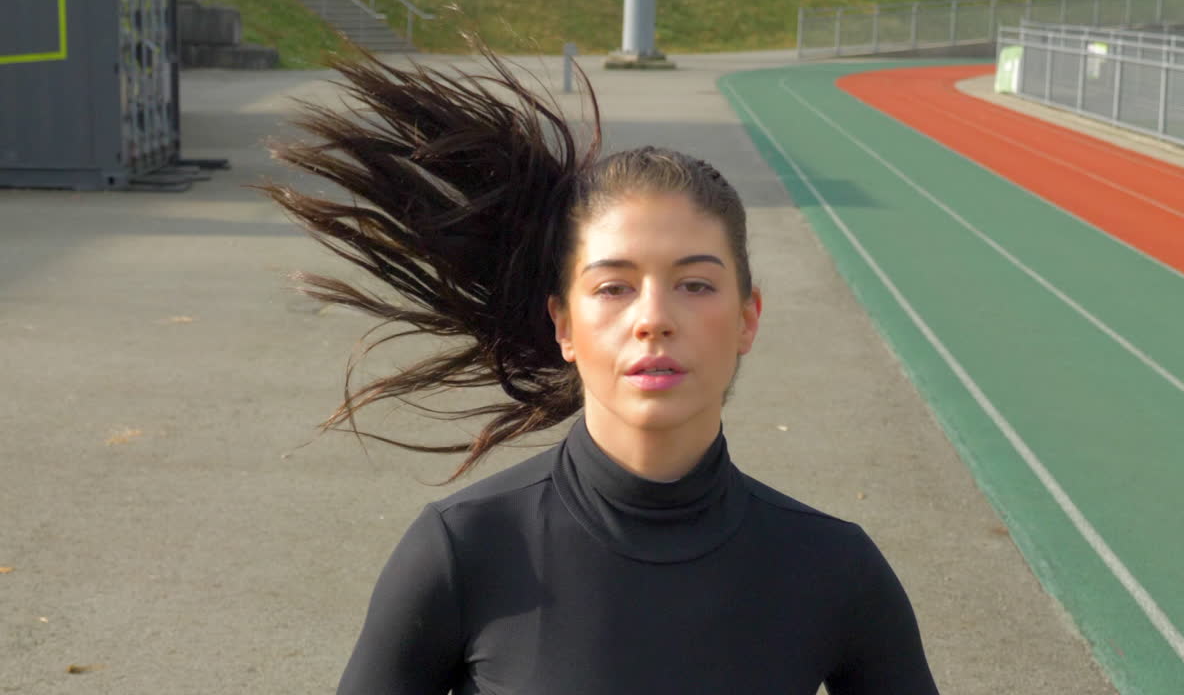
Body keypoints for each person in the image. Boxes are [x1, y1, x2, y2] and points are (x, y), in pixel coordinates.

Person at [262, 36, 939, 694]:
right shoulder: (463, 550)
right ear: (564, 324)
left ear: (748, 319)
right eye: (614, 286)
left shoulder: (834, 568)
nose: (654, 317)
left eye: (696, 284)